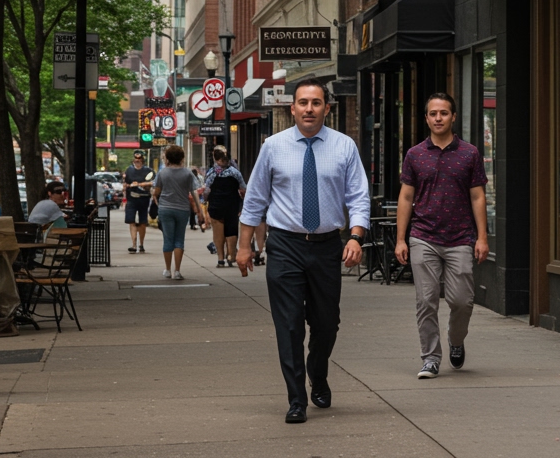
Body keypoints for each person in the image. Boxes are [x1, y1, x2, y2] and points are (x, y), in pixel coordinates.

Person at [237, 78, 369, 425]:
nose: (309, 109)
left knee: (327, 324)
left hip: (327, 246)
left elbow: (358, 197)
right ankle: (296, 399)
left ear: (327, 108)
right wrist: (244, 246)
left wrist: (356, 237)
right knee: (290, 324)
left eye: (316, 103)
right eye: (303, 103)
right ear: (292, 108)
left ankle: (317, 371)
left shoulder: (344, 146)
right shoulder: (273, 146)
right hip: (285, 245)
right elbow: (255, 199)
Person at [395, 92, 489, 380]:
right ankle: (430, 358)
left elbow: (478, 196)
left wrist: (482, 237)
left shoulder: (470, 153)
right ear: (426, 118)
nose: (438, 118)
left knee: (462, 301)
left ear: (453, 117)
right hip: (423, 236)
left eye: (444, 113)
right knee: (426, 301)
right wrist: (401, 239)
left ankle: (456, 339)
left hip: (460, 237)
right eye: (433, 113)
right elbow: (406, 197)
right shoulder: (414, 154)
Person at [152, 144, 202, 280]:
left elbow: (156, 191)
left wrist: (154, 194)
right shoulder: (187, 173)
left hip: (166, 209)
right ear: (182, 157)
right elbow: (194, 191)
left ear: (168, 158)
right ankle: (177, 271)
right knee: (179, 239)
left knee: (168, 239)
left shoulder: (162, 173)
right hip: (182, 209)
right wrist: (199, 210)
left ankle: (168, 270)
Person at [203, 147, 246, 267]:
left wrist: (205, 199)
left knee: (218, 232)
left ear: (216, 159)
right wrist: (243, 201)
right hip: (232, 204)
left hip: (216, 204)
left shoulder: (211, 173)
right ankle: (231, 255)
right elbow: (243, 188)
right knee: (231, 229)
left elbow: (206, 190)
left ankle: (220, 259)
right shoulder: (235, 172)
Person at [123, 150, 153, 253]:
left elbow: (153, 182)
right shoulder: (129, 170)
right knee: (131, 221)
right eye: (136, 158)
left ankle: (141, 244)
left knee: (142, 222)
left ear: (143, 159)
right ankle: (134, 244)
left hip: (144, 198)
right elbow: (125, 184)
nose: (137, 160)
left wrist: (140, 184)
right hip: (131, 198)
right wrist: (125, 195)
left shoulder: (148, 171)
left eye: (139, 159)